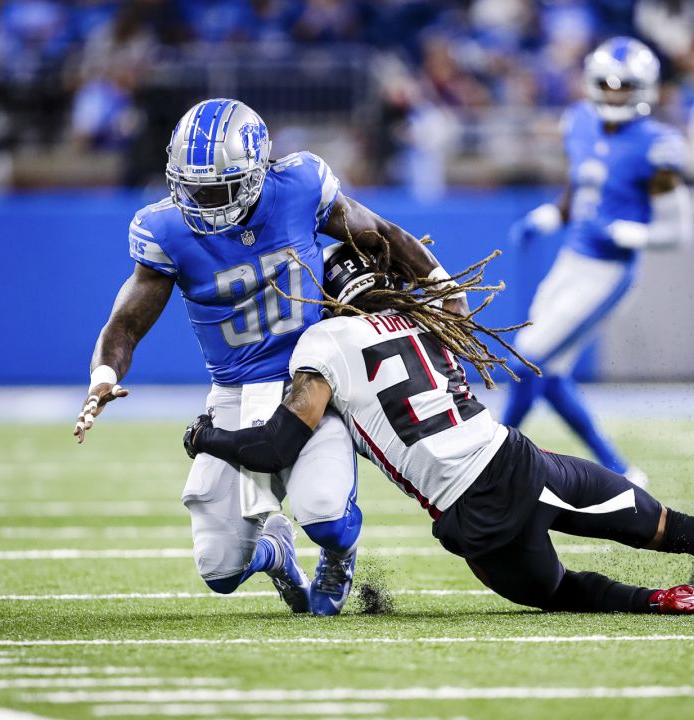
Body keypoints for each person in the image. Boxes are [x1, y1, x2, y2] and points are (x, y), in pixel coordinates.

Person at [182, 242, 694, 615]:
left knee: (557, 593)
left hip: (472, 509)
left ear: (333, 296)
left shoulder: (325, 341)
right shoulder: (429, 322)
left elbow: (276, 445)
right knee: (675, 525)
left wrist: (206, 437)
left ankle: (660, 602)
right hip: (521, 461)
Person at [73, 98, 465, 616]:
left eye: (218, 187)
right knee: (219, 570)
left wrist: (442, 285)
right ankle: (277, 554)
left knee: (324, 513)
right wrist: (103, 376)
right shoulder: (164, 229)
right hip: (234, 392)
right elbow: (125, 323)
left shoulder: (300, 187)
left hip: (312, 379)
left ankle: (337, 553)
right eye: (193, 187)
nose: (204, 199)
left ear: (256, 173)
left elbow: (382, 235)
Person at [506, 37, 694, 489]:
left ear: (644, 88)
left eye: (624, 86)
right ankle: (620, 467)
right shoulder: (579, 123)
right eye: (606, 85)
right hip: (572, 260)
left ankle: (496, 448)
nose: (614, 94)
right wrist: (547, 217)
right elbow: (578, 195)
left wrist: (631, 233)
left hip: (609, 271)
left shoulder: (657, 146)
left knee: (528, 360)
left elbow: (679, 232)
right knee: (546, 372)